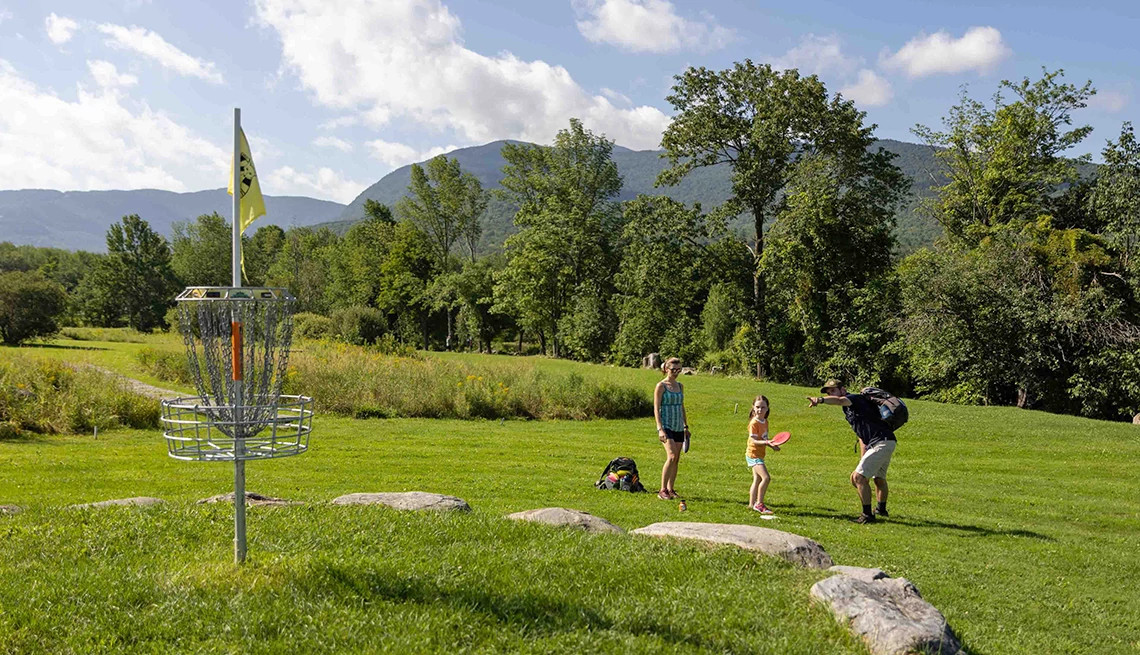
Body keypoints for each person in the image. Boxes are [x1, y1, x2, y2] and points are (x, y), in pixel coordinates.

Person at [807, 379, 895, 524]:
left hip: (882, 442)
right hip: (882, 441)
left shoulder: (854, 399)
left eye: (833, 391)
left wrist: (820, 400)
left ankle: (867, 515)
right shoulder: (849, 409)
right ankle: (881, 509)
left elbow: (840, 400)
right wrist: (863, 457)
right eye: (829, 393)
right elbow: (861, 436)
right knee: (878, 478)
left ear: (843, 390)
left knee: (858, 478)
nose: (831, 394)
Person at [654, 357, 690, 500]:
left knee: (677, 459)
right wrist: (660, 428)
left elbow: (682, 406)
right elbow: (656, 408)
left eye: (679, 370)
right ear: (666, 369)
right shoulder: (661, 386)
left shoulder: (680, 386)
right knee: (671, 456)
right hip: (666, 425)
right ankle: (662, 490)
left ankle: (671, 489)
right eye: (673, 369)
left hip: (678, 425)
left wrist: (685, 426)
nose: (676, 372)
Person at [746, 395, 781, 514]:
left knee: (757, 479)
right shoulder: (754, 423)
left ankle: (751, 504)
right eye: (757, 407)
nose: (760, 410)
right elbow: (753, 441)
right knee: (766, 478)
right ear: (753, 408)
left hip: (759, 454)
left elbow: (764, 438)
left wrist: (772, 445)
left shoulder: (765, 422)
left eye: (763, 407)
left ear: (767, 409)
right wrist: (767, 442)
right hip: (753, 454)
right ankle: (759, 504)